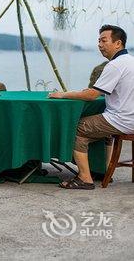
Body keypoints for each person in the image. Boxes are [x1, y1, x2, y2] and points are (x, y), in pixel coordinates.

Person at [49, 25, 134, 189]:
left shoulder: (115, 65)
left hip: (122, 120)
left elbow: (91, 95)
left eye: (104, 40)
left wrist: (63, 94)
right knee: (103, 127)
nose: (100, 45)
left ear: (118, 43)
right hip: (130, 118)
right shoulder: (131, 61)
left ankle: (85, 178)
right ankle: (102, 171)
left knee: (77, 128)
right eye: (98, 41)